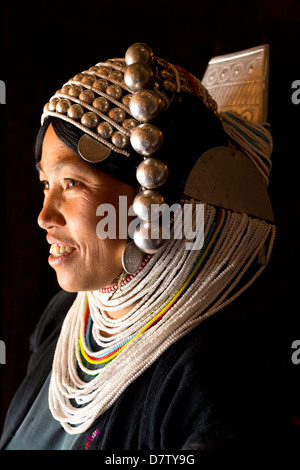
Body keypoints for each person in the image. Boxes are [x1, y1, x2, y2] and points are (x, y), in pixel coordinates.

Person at [0, 43, 288, 450]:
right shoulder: (64, 318)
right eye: (46, 184)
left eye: (73, 183)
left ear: (153, 200)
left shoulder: (207, 380)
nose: (44, 216)